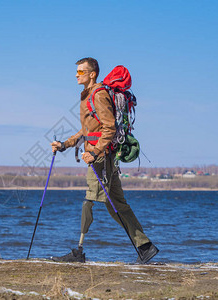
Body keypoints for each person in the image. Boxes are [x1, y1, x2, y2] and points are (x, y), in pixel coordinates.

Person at [50, 57, 158, 263]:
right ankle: (145, 247)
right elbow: (87, 130)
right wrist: (64, 144)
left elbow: (110, 128)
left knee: (88, 201)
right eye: (77, 71)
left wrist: (95, 152)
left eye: (81, 72)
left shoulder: (98, 95)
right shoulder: (88, 96)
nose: (76, 75)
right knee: (117, 204)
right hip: (102, 156)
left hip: (100, 158)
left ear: (92, 74)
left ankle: (79, 252)